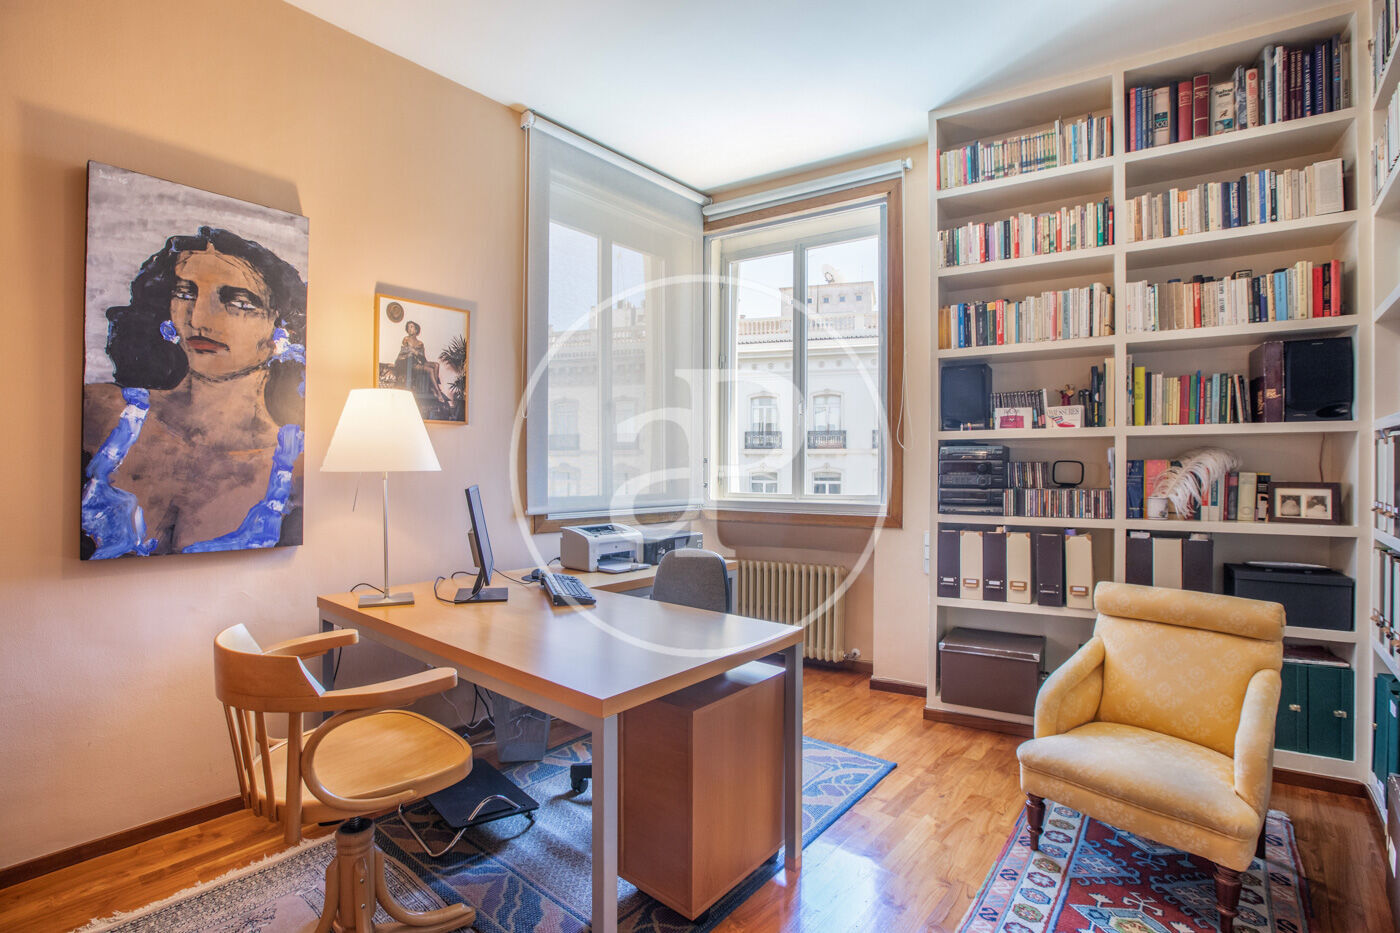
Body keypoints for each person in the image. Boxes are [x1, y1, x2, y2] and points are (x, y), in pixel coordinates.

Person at [81, 226, 307, 558]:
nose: (198, 318)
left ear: (282, 330)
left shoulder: (297, 469)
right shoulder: (101, 413)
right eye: (185, 294)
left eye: (238, 302)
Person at [394, 320, 449, 404]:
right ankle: (438, 392)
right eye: (408, 327)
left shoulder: (420, 343)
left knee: (436, 365)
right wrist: (414, 352)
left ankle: (433, 388)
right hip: (410, 363)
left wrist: (415, 352)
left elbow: (423, 358)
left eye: (411, 327)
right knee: (430, 370)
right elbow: (404, 352)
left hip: (419, 361)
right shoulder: (406, 339)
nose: (409, 329)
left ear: (416, 330)